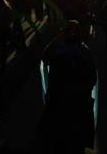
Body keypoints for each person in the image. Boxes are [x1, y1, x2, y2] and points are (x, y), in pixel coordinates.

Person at [40, 21, 97, 154]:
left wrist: (56, 38)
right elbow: (92, 79)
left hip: (58, 102)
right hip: (77, 104)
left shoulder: (58, 50)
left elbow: (44, 56)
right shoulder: (85, 52)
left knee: (58, 140)